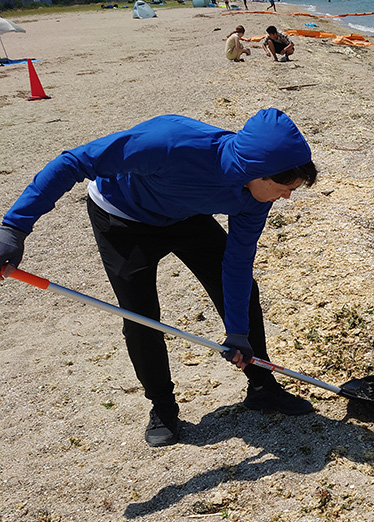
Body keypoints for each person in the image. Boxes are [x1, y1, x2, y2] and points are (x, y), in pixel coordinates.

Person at [0, 109, 318, 447]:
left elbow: (237, 262)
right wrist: (14, 227)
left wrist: (237, 332)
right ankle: (163, 407)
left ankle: (261, 386)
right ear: (258, 171)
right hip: (122, 216)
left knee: (243, 292)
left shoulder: (256, 195)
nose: (287, 197)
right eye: (285, 187)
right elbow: (73, 162)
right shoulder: (169, 143)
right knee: (141, 317)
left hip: (184, 216)